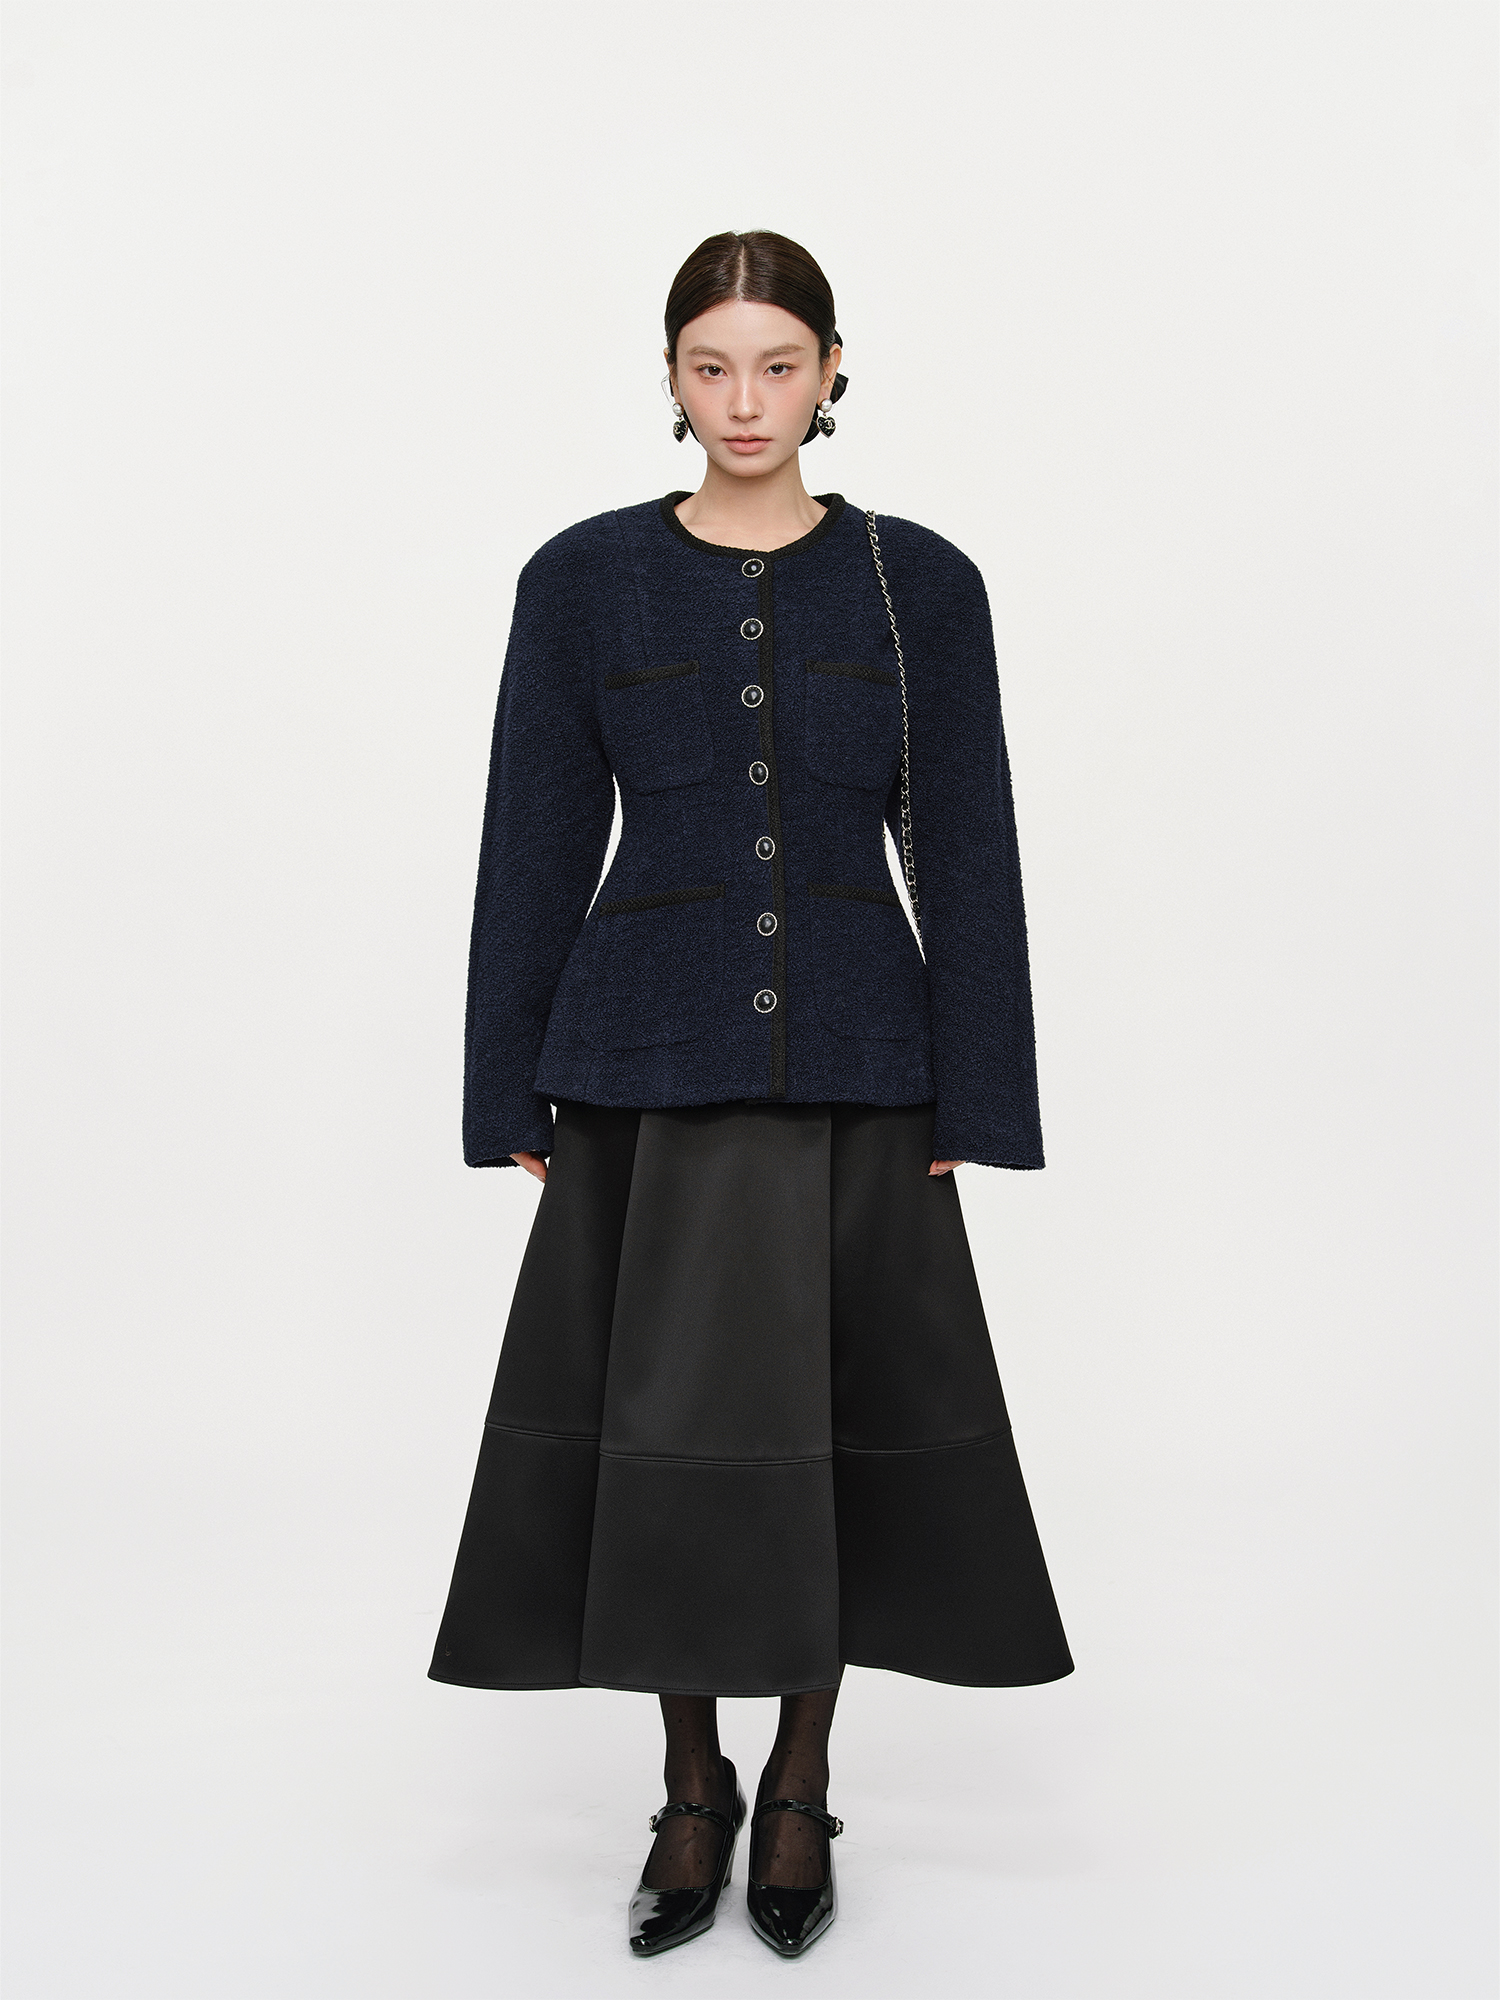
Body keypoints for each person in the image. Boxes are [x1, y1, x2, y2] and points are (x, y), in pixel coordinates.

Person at [428, 229, 1072, 1959]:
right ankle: (689, 1784)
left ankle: (800, 1784)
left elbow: (969, 848)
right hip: (644, 1066)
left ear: (833, 373)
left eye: (778, 365)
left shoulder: (920, 584)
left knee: (827, 1438)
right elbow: (534, 839)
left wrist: (976, 1097)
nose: (745, 401)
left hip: (865, 1065)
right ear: (668, 378)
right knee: (671, 1443)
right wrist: (509, 1087)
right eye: (711, 367)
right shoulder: (583, 580)